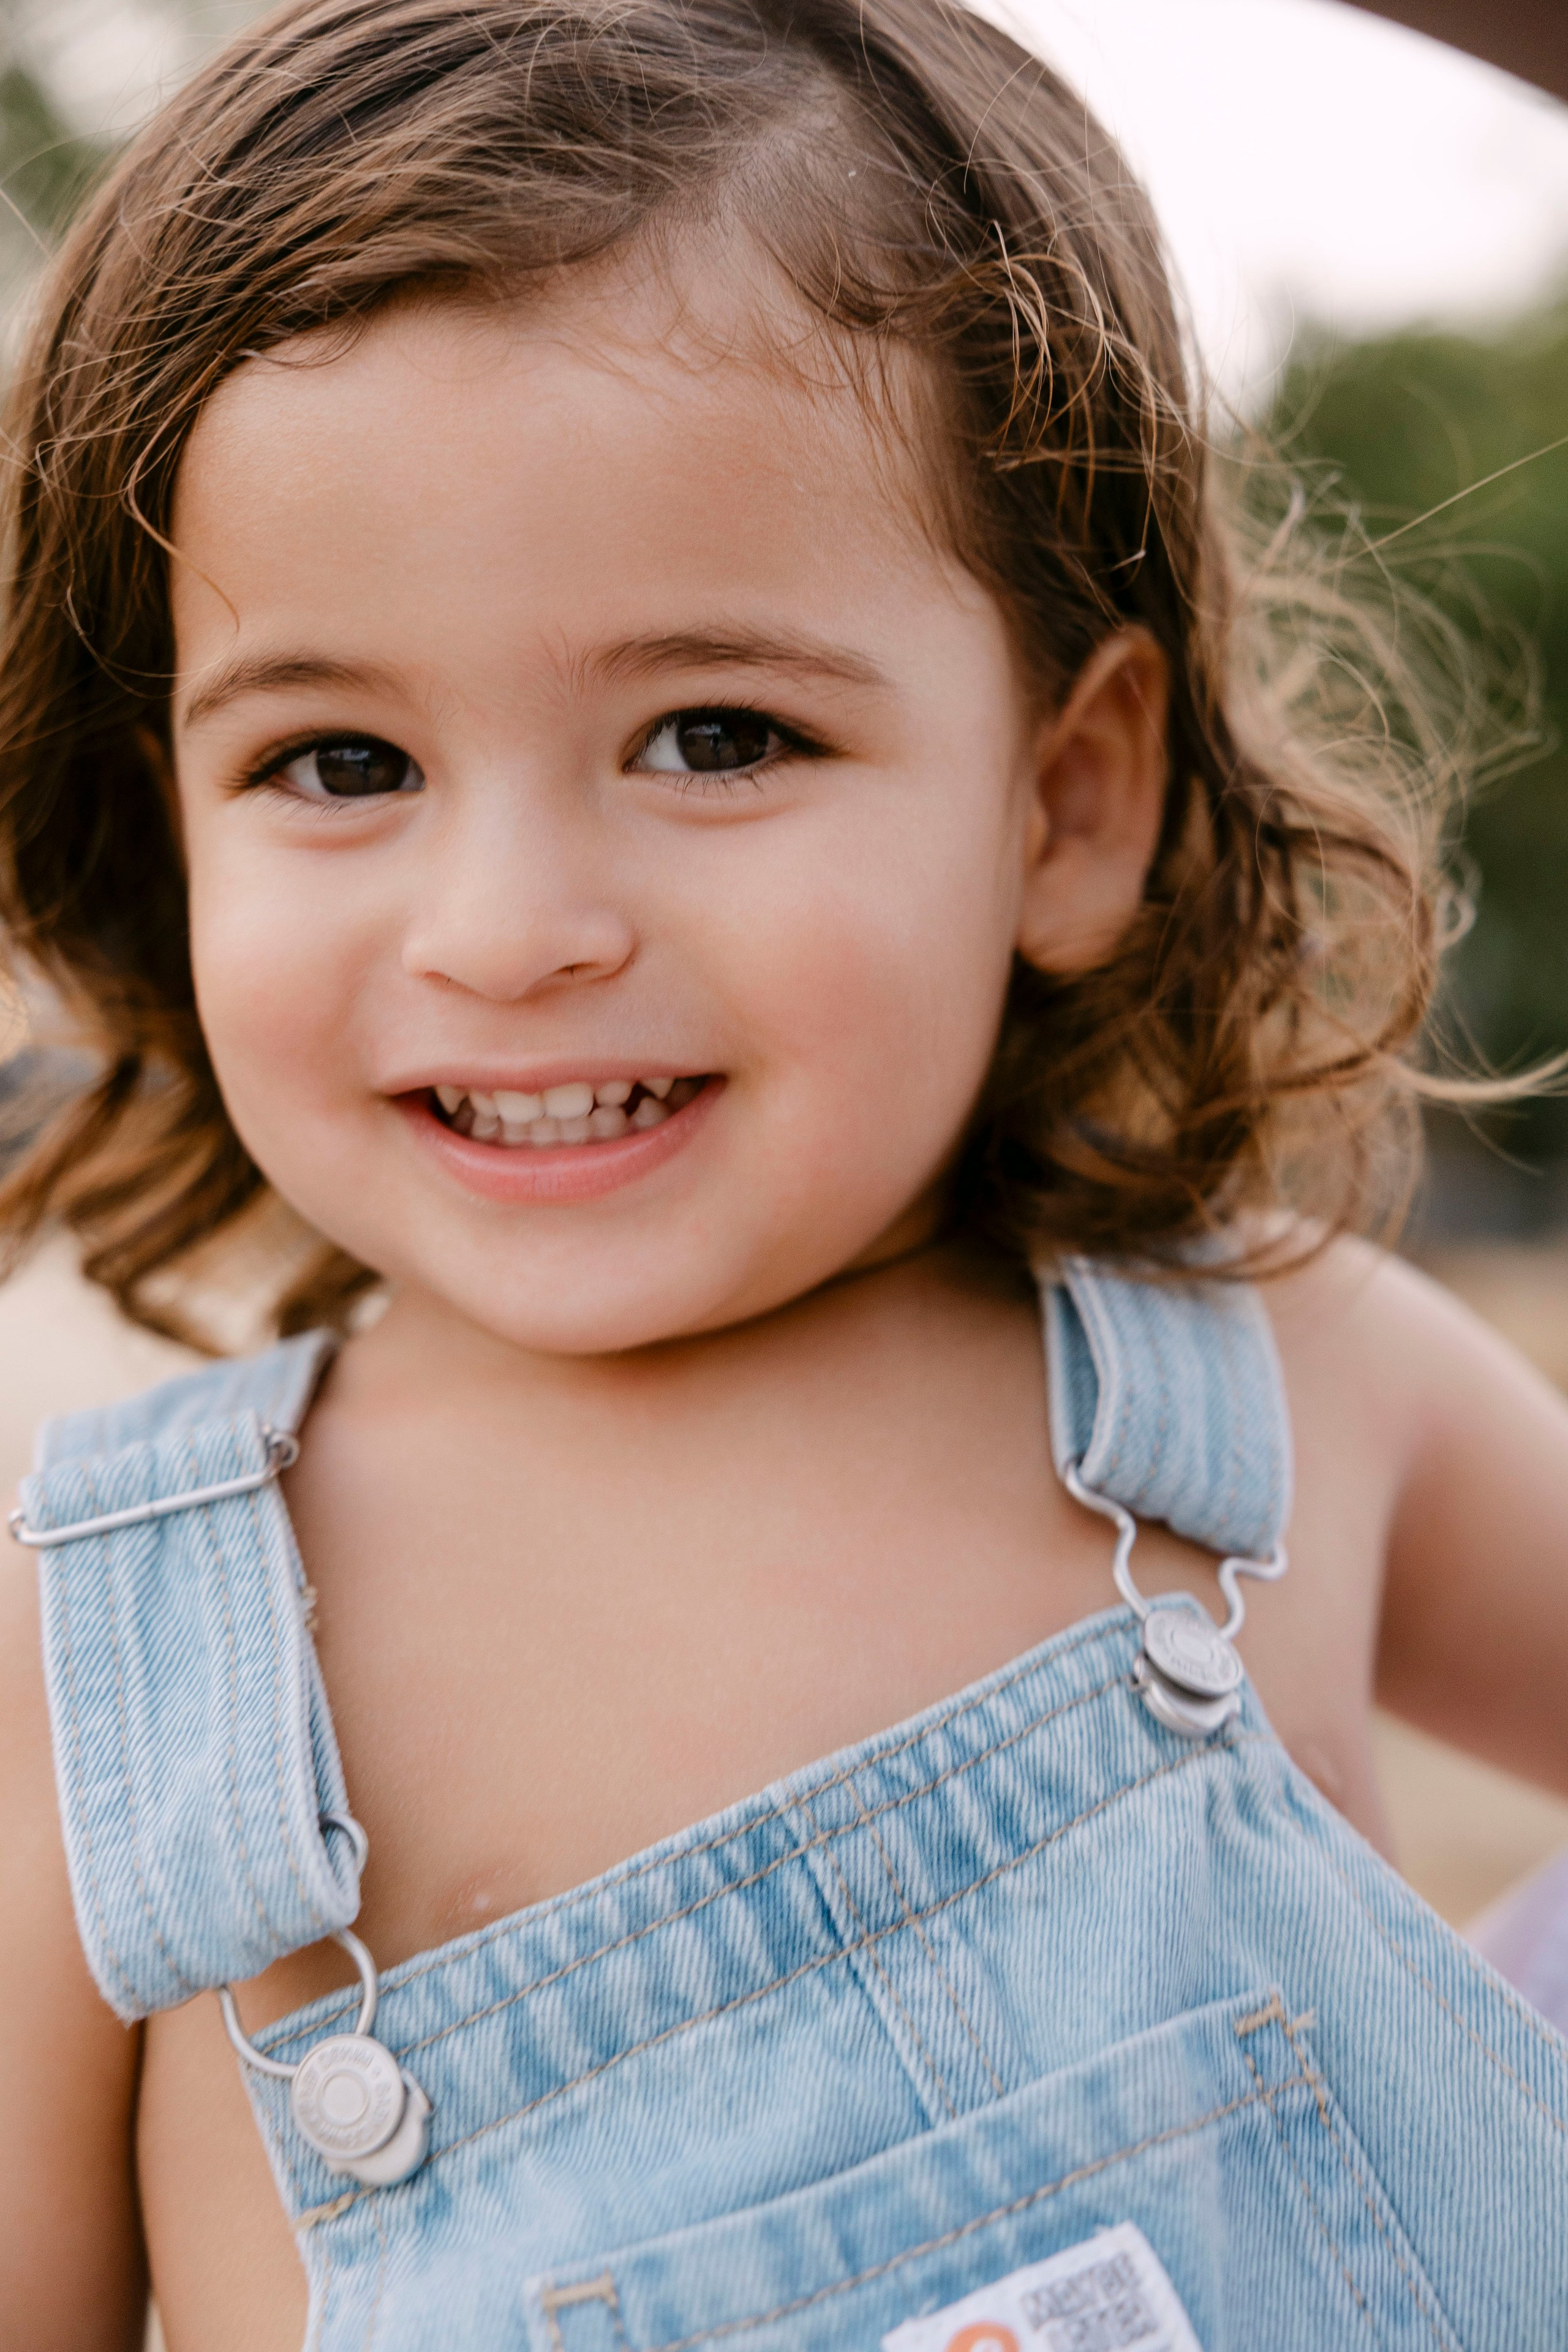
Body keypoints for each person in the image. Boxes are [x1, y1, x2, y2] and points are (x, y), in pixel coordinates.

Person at [1, 1, 1566, 2346]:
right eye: (339, 763)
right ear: (171, 827)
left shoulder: (1286, 1375)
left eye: (715, 734)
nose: (509, 929)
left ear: (1065, 801)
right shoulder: (98, 1672)